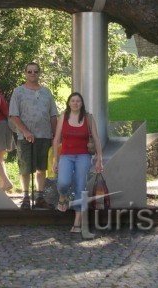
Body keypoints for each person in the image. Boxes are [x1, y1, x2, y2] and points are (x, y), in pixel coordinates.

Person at [9, 62, 58, 209]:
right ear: (25, 73)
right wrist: (25, 131)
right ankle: (25, 197)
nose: (32, 74)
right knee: (25, 167)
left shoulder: (46, 92)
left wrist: (55, 134)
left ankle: (40, 196)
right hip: (25, 137)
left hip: (44, 135)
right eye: (29, 71)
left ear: (39, 73)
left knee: (41, 167)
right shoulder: (18, 92)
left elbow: (53, 115)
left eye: (35, 71)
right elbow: (14, 115)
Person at [52, 92, 103, 233]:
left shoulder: (88, 118)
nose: (75, 103)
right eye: (73, 101)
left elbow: (97, 139)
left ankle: (77, 222)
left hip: (83, 156)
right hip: (66, 156)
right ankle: (63, 196)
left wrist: (99, 158)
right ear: (69, 103)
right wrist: (55, 160)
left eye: (78, 101)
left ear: (82, 104)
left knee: (80, 187)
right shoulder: (63, 117)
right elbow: (56, 139)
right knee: (63, 182)